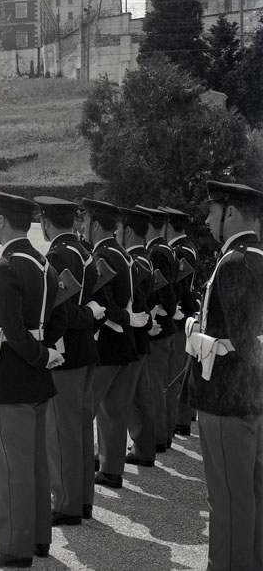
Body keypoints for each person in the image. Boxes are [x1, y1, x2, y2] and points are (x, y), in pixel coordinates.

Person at [0, 190, 66, 568]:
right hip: (37, 377)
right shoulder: (43, 263)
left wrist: (40, 355)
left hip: (10, 377)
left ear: (0, 221)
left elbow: (11, 331)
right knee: (36, 464)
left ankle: (14, 546)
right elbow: (60, 314)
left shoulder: (7, 266)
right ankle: (39, 537)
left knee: (12, 467)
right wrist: (47, 352)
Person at [181, 180, 263, 571]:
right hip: (251, 397)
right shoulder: (256, 258)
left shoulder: (235, 263)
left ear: (230, 213)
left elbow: (245, 340)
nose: (207, 220)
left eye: (212, 211)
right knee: (253, 495)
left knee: (229, 498)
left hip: (227, 397)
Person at [35, 196, 102, 525]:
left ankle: (66, 503)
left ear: (46, 222)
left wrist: (85, 315)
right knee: (80, 430)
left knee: (62, 432)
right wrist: (91, 314)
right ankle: (83, 499)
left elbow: (61, 311)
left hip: (66, 353)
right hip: (85, 349)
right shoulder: (84, 251)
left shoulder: (58, 255)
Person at [81, 199, 147, 489]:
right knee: (116, 411)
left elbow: (105, 303)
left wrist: (125, 318)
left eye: (85, 221)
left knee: (86, 409)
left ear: (96, 225)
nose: (82, 226)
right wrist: (133, 319)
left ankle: (85, 467)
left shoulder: (103, 255)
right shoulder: (123, 254)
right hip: (125, 343)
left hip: (107, 344)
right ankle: (111, 469)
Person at [117, 207, 158, 467]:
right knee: (139, 399)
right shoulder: (144, 258)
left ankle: (125, 451)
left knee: (124, 401)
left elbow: (138, 301)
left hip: (133, 335)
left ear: (129, 231)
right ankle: (143, 449)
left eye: (119, 228)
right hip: (140, 336)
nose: (116, 233)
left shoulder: (136, 261)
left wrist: (148, 321)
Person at [135, 205, 178, 452]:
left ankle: (159, 437)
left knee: (155, 387)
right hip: (166, 324)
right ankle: (164, 432)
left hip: (159, 326)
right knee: (161, 385)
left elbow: (163, 290)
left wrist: (160, 310)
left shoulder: (157, 252)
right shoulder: (166, 249)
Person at [160, 206, 199, 438]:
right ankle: (183, 417)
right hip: (186, 315)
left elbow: (181, 287)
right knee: (182, 371)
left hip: (180, 317)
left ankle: (180, 420)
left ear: (169, 226)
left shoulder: (180, 250)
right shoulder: (188, 246)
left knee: (176, 373)